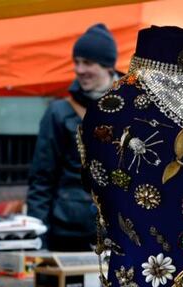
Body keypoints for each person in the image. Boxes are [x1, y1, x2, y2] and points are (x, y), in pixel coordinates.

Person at [26, 23, 119, 252]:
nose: (79, 69)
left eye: (87, 62)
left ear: (107, 66)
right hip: (68, 235)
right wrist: (39, 242)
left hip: (119, 234)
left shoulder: (133, 108)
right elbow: (41, 181)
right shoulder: (59, 112)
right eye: (76, 62)